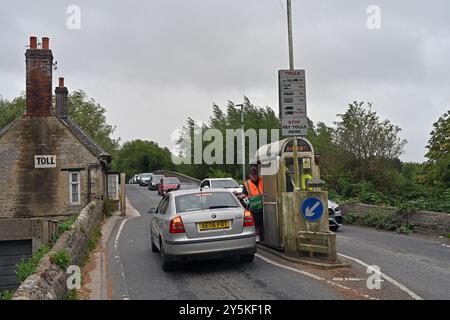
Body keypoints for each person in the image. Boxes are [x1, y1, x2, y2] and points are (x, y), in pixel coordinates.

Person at [240, 167, 264, 242]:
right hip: (254, 206)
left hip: (265, 204)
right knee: (257, 221)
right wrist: (243, 196)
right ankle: (257, 235)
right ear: (250, 175)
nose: (254, 176)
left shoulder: (262, 180)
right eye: (252, 174)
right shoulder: (247, 184)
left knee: (263, 221)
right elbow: (243, 194)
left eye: (255, 174)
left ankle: (262, 235)